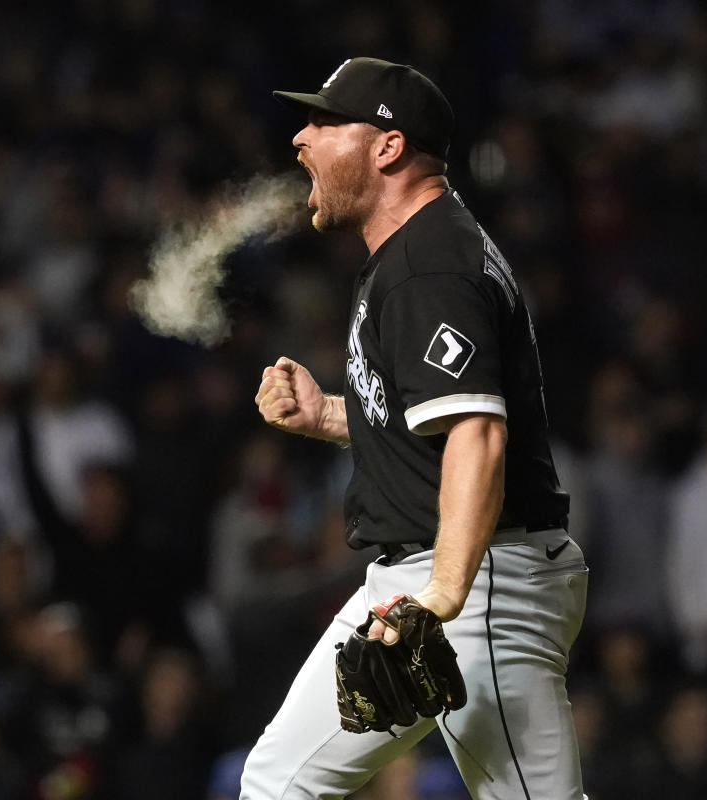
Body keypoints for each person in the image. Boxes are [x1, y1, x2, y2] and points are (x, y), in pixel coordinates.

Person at [246, 57, 588, 799]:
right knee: (278, 784)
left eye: (326, 121)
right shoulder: (415, 254)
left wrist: (444, 592)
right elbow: (428, 429)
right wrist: (331, 415)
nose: (303, 137)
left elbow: (477, 434)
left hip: (479, 574)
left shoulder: (429, 265)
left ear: (388, 147)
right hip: (436, 573)